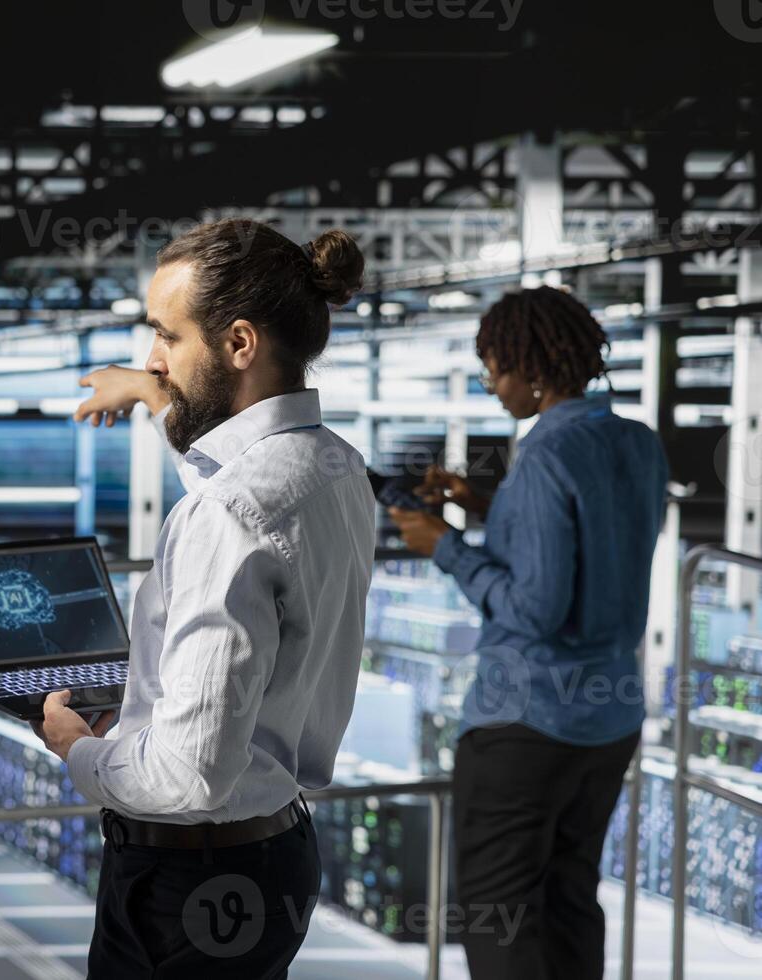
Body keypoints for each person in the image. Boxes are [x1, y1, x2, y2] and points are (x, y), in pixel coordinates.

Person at [36, 218, 377, 979]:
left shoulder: (227, 514)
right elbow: (237, 487)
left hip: (187, 885)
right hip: (273, 855)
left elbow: (187, 777)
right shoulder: (335, 467)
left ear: (240, 344)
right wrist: (156, 396)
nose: (152, 359)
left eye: (166, 337)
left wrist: (78, 749)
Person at [387, 286, 667, 980]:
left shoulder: (543, 457)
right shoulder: (635, 443)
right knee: (571, 900)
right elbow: (593, 545)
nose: (490, 384)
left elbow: (537, 610)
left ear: (530, 368)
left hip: (527, 724)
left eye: (494, 368)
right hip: (609, 720)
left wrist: (445, 546)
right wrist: (487, 505)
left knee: (501, 916)